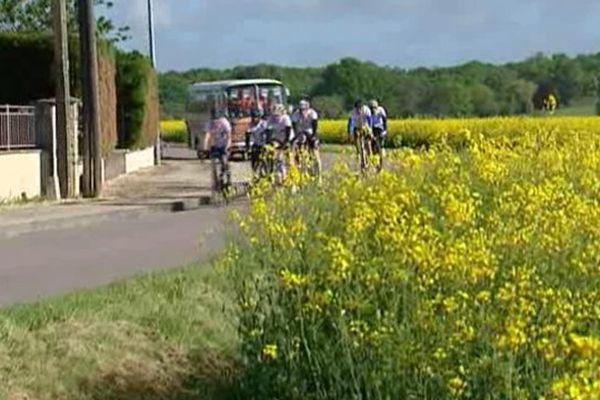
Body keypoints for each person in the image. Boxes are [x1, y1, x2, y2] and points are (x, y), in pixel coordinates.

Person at [203, 109, 232, 190]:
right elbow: (207, 135)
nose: (215, 122)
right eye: (213, 120)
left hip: (223, 145)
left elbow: (229, 136)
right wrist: (205, 147)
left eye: (216, 120)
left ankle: (228, 178)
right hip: (215, 145)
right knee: (214, 163)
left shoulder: (224, 123)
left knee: (224, 161)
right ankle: (216, 180)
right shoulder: (210, 123)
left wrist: (228, 145)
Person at [291, 99, 321, 176]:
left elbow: (315, 125)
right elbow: (294, 125)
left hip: (311, 132)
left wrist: (313, 136)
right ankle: (296, 163)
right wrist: (296, 135)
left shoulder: (312, 113)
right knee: (295, 146)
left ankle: (318, 173)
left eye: (304, 109)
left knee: (315, 152)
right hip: (300, 132)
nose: (302, 111)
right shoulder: (296, 114)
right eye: (301, 109)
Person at [266, 104, 293, 182]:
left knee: (288, 158)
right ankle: (274, 174)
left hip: (287, 138)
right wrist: (270, 143)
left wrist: (284, 144)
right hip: (277, 138)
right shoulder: (270, 119)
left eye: (277, 115)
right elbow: (268, 132)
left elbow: (288, 132)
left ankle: (291, 175)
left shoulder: (286, 118)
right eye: (274, 115)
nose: (276, 117)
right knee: (276, 157)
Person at [245, 107, 269, 174]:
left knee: (264, 159)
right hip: (256, 143)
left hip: (264, 143)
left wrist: (267, 143)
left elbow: (268, 134)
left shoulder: (264, 124)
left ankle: (267, 173)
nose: (254, 119)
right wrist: (247, 147)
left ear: (259, 117)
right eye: (253, 117)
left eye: (255, 117)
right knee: (254, 159)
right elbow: (247, 135)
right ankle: (255, 172)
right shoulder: (251, 124)